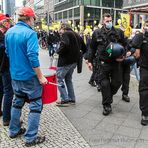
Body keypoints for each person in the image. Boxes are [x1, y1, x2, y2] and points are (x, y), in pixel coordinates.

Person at [5, 7, 48, 146]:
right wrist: (41, 77)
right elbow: (32, 57)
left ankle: (13, 130)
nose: (33, 22)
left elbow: (7, 52)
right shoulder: (30, 33)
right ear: (29, 19)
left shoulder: (9, 32)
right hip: (29, 77)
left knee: (17, 102)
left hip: (15, 75)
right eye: (33, 19)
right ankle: (30, 138)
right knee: (35, 105)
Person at [86, 13, 126, 116]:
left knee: (117, 82)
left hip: (116, 62)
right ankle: (107, 105)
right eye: (107, 21)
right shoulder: (97, 33)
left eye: (110, 21)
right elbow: (92, 48)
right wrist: (89, 61)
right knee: (104, 84)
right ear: (103, 21)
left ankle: (108, 95)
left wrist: (123, 56)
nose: (109, 23)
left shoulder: (119, 32)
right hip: (102, 63)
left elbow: (126, 45)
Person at [56, 23, 86, 107]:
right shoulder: (77, 35)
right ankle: (71, 99)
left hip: (65, 61)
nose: (60, 31)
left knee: (59, 79)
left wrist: (57, 52)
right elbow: (84, 48)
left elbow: (64, 44)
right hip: (74, 62)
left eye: (60, 29)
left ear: (63, 28)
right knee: (68, 79)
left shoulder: (66, 33)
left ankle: (65, 99)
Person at [131, 20, 148, 125]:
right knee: (144, 91)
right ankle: (145, 113)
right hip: (145, 67)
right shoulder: (141, 37)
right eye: (147, 25)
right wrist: (141, 34)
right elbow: (132, 45)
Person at [0, 13, 13, 126]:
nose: (8, 23)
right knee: (9, 92)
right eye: (6, 21)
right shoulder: (2, 35)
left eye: (8, 21)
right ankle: (7, 118)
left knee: (2, 91)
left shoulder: (5, 34)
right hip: (4, 67)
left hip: (3, 67)